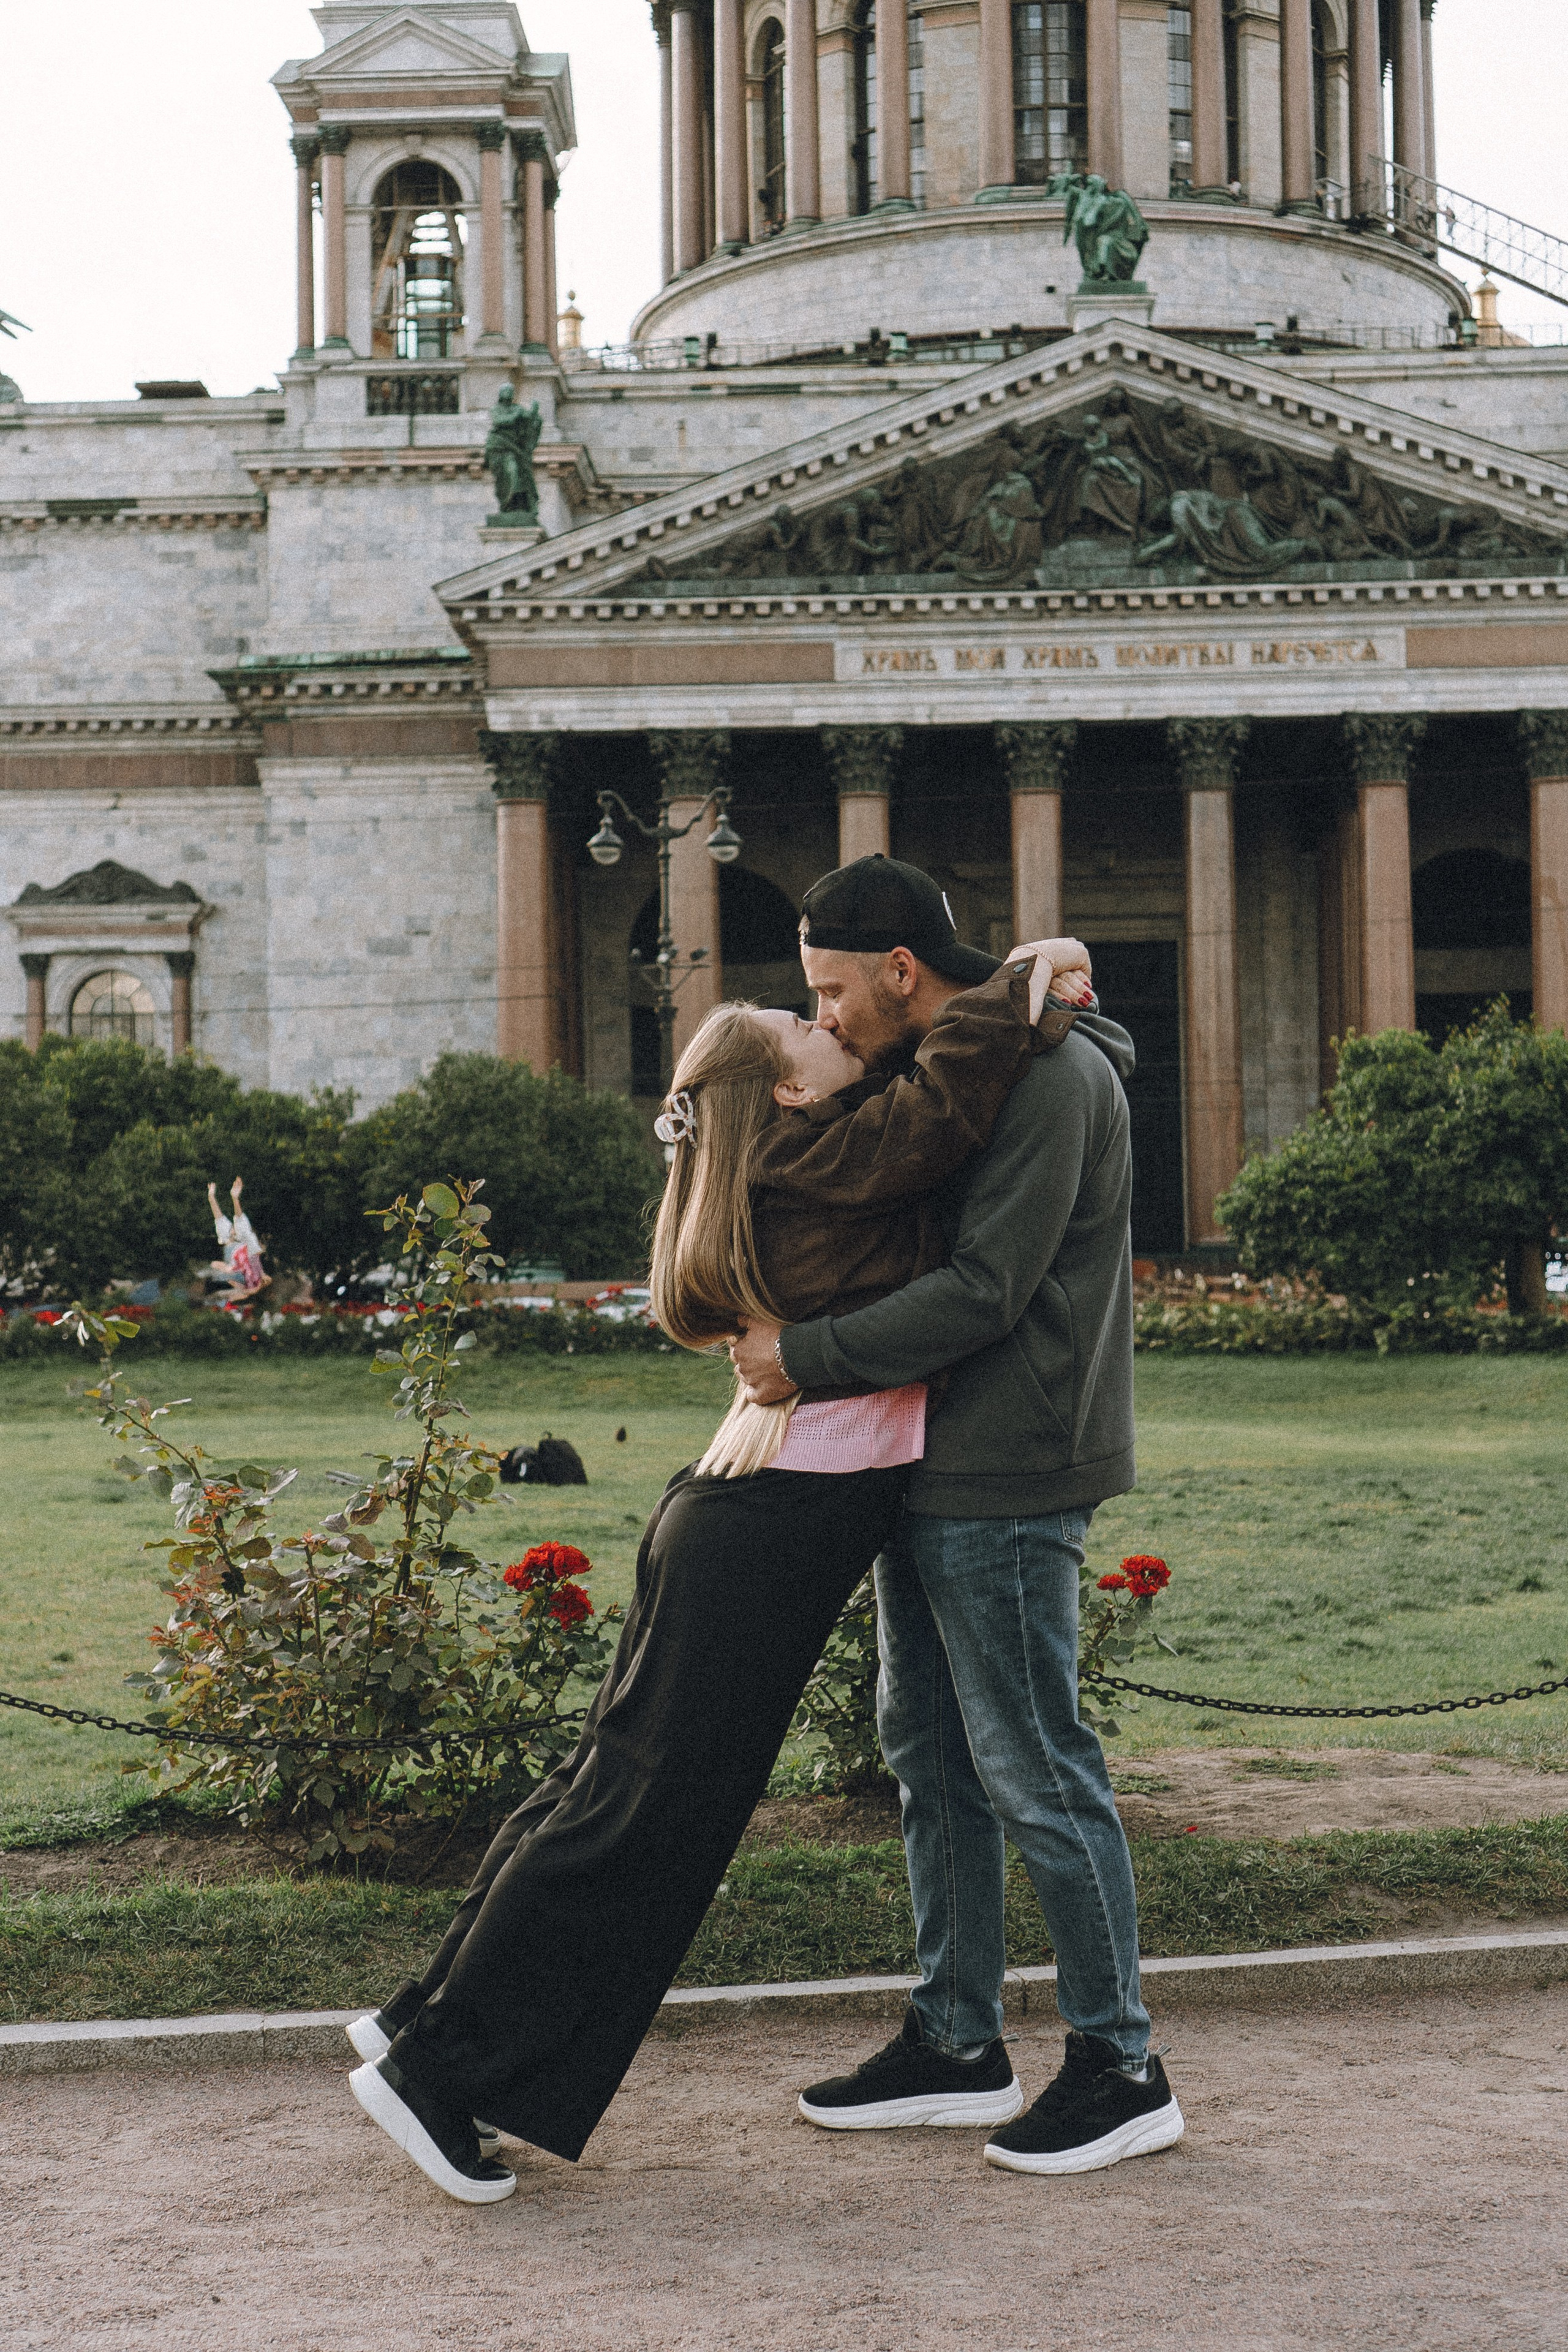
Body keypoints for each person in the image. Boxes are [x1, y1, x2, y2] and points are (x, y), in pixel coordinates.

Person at [346, 930, 1097, 2203]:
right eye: (806, 1025)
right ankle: (439, 2070)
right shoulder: (830, 1153)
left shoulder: (786, 1157)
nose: (832, 1027)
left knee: (609, 1786)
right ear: (790, 1090)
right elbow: (944, 1094)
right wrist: (1023, 980)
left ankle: (428, 2018)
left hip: (744, 1504)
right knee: (644, 1820)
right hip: (772, 1523)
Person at [733, 853, 1185, 2179]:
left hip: (1011, 1458)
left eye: (829, 994)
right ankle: (954, 2040)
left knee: (1034, 1762)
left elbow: (987, 1288)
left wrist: (796, 1357)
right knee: (927, 1753)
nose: (820, 1021)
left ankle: (1119, 2064)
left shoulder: (1048, 1078)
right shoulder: (955, 1066)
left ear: (899, 970)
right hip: (932, 1454)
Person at [202, 1177, 268, 1303]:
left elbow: (220, 1219)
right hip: (247, 1254)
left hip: (241, 1256)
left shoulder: (230, 1240)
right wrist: (213, 1198)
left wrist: (213, 1198)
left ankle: (235, 1198)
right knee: (240, 1233)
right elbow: (224, 1219)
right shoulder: (240, 1241)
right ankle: (235, 1198)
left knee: (232, 1235)